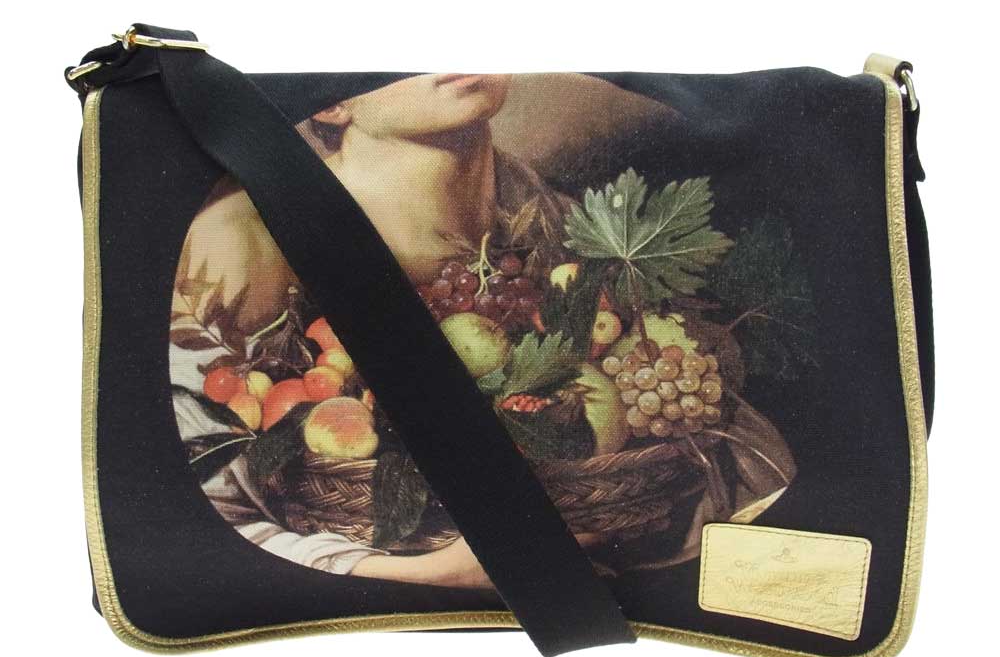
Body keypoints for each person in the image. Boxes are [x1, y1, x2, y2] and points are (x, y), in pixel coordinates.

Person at [171, 73, 794, 589]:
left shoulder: (547, 213)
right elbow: (200, 495)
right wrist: (429, 575)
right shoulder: (245, 240)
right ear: (331, 103)